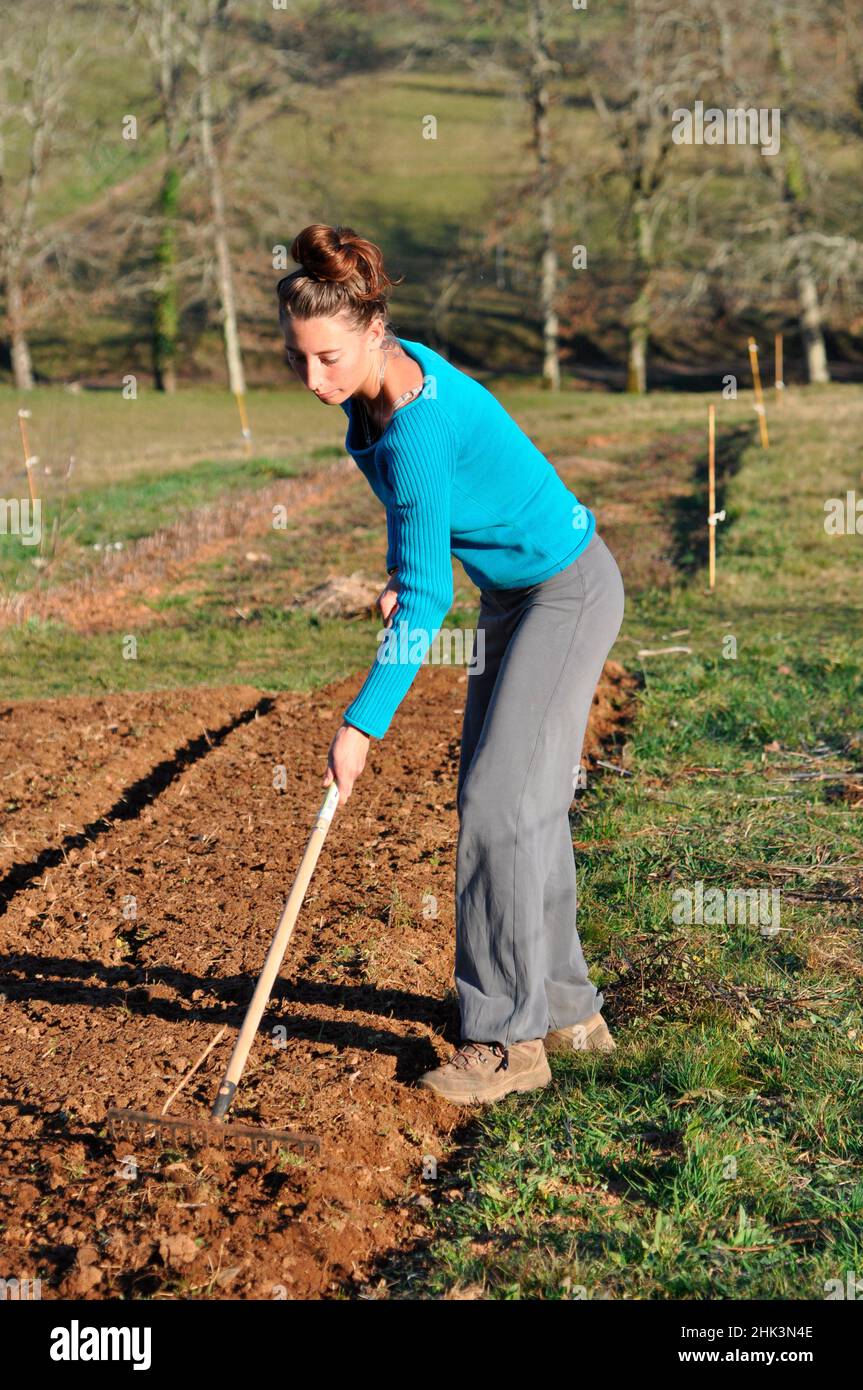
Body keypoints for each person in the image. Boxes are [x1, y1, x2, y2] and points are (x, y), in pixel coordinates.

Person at [277, 223, 625, 1105]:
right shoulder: (386, 384)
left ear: (370, 332)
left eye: (327, 359)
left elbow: (429, 589)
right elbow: (423, 547)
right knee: (521, 802)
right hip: (516, 597)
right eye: (298, 361)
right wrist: (408, 575)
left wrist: (362, 723)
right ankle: (567, 1008)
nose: (314, 381)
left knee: (500, 803)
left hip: (566, 592)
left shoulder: (415, 426)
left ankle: (509, 1042)